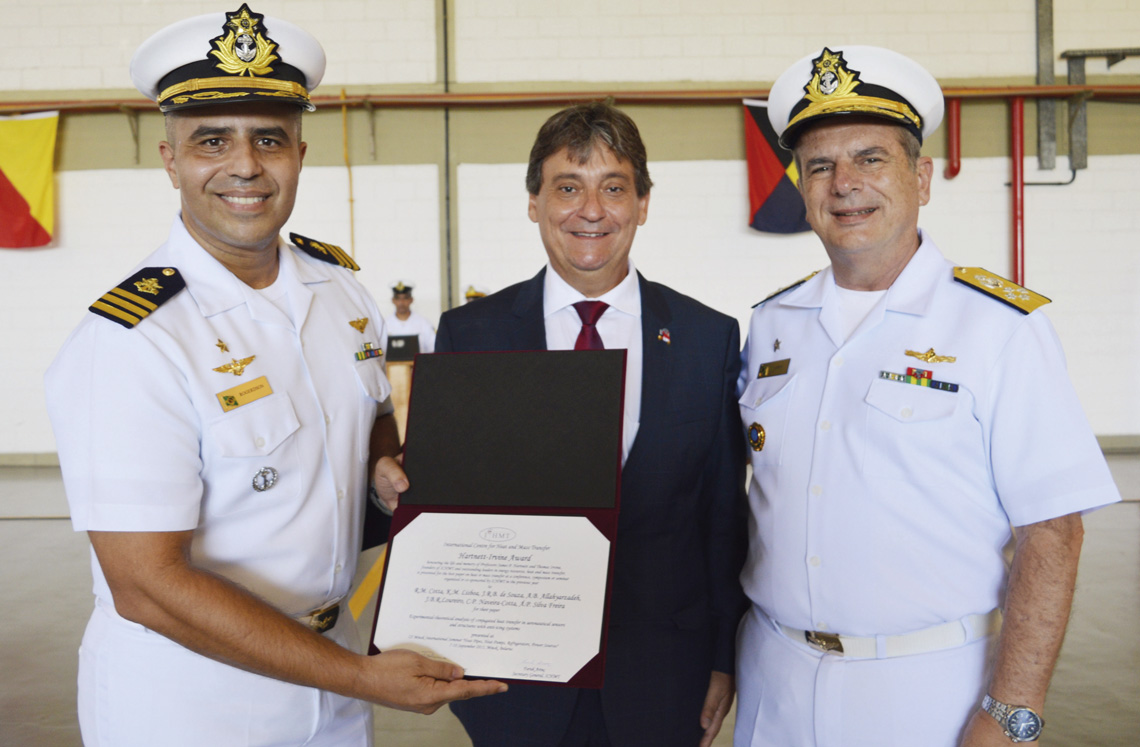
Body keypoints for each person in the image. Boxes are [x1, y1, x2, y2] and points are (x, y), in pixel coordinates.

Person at [43, 6, 504, 746]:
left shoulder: (341, 292)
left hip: (333, 672)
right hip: (191, 700)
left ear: (299, 153)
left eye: (269, 139)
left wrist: (384, 473)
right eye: (212, 141)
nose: (245, 166)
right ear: (170, 160)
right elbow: (147, 586)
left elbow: (371, 427)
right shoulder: (133, 340)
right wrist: (360, 677)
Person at [734, 45, 1121, 747]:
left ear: (920, 178)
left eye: (870, 158)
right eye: (820, 166)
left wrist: (1012, 711)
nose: (844, 184)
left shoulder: (999, 326)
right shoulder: (771, 324)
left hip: (928, 690)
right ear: (802, 188)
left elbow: (1052, 531)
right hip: (774, 678)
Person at [375, 101, 748, 746]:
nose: (591, 210)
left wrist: (723, 657)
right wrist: (399, 487)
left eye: (614, 188)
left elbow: (722, 517)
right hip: (513, 683)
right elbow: (446, 507)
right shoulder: (472, 333)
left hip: (663, 677)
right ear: (534, 202)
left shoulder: (705, 338)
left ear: (643, 203)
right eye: (568, 188)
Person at [386, 281, 436, 353]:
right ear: (393, 300)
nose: (401, 302)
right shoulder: (385, 324)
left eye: (405, 298)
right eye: (398, 298)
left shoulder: (424, 323)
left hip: (418, 360)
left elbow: (433, 349)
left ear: (411, 300)